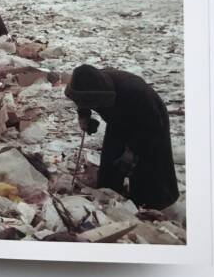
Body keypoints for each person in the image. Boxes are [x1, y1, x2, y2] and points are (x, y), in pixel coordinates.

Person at [65, 64, 179, 210]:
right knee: (111, 160)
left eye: (92, 102)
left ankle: (152, 203)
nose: (89, 105)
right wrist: (84, 117)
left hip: (150, 122)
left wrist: (131, 152)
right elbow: (81, 101)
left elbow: (151, 126)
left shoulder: (135, 90)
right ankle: (109, 195)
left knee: (148, 166)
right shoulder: (86, 86)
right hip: (118, 121)